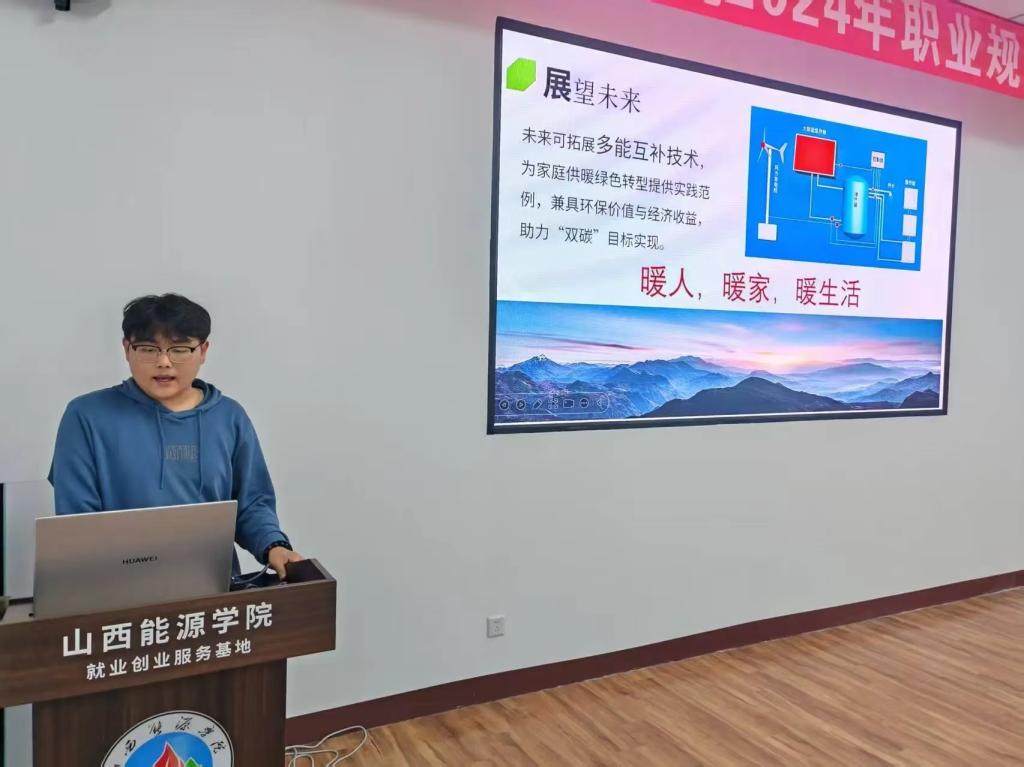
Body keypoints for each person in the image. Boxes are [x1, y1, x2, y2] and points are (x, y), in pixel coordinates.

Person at [49, 293, 303, 579]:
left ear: (203, 351)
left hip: (213, 590)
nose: (164, 362)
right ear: (126, 349)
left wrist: (274, 545)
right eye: (148, 349)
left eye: (180, 349)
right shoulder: (86, 416)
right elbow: (77, 522)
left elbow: (252, 504)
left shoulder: (230, 417)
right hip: (116, 591)